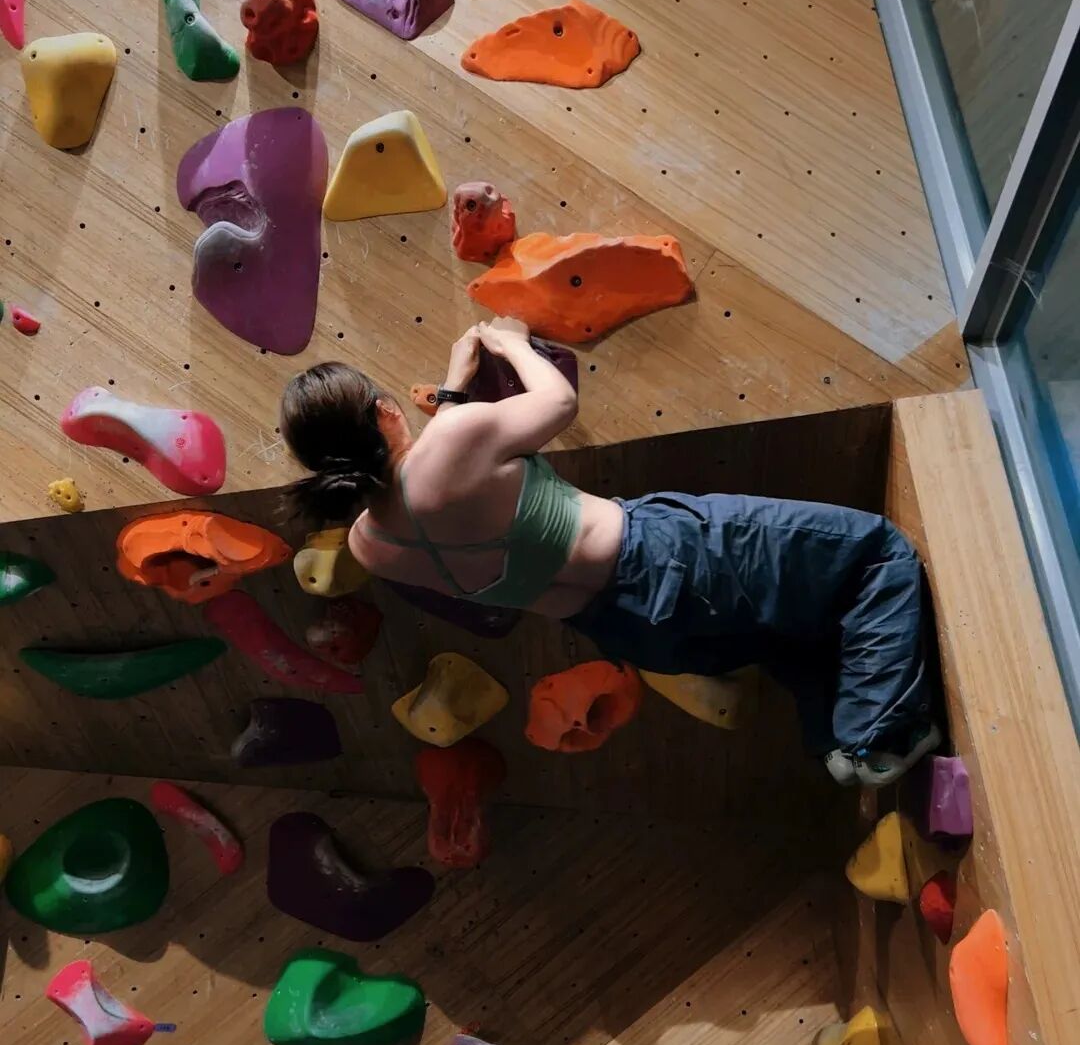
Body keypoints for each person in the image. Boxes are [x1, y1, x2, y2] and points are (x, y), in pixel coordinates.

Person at [280, 317, 939, 788]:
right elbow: (557, 402)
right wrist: (510, 342)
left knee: (789, 627)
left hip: (634, 632)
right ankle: (876, 740)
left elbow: (427, 484)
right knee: (874, 554)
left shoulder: (370, 546)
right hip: (671, 558)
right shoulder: (453, 440)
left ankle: (837, 740)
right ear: (387, 410)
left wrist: (454, 391)